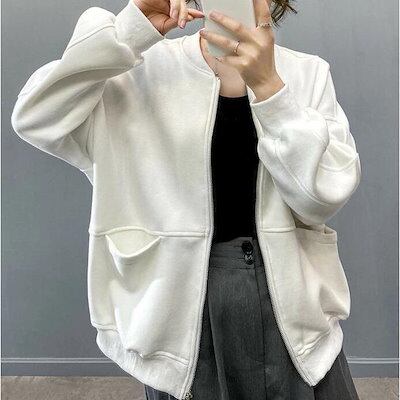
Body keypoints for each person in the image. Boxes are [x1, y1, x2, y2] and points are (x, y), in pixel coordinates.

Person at [10, 0, 362, 399]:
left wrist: (269, 89)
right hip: (175, 306)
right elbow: (36, 118)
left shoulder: (307, 73)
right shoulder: (139, 66)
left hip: (293, 302)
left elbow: (322, 198)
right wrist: (130, 31)